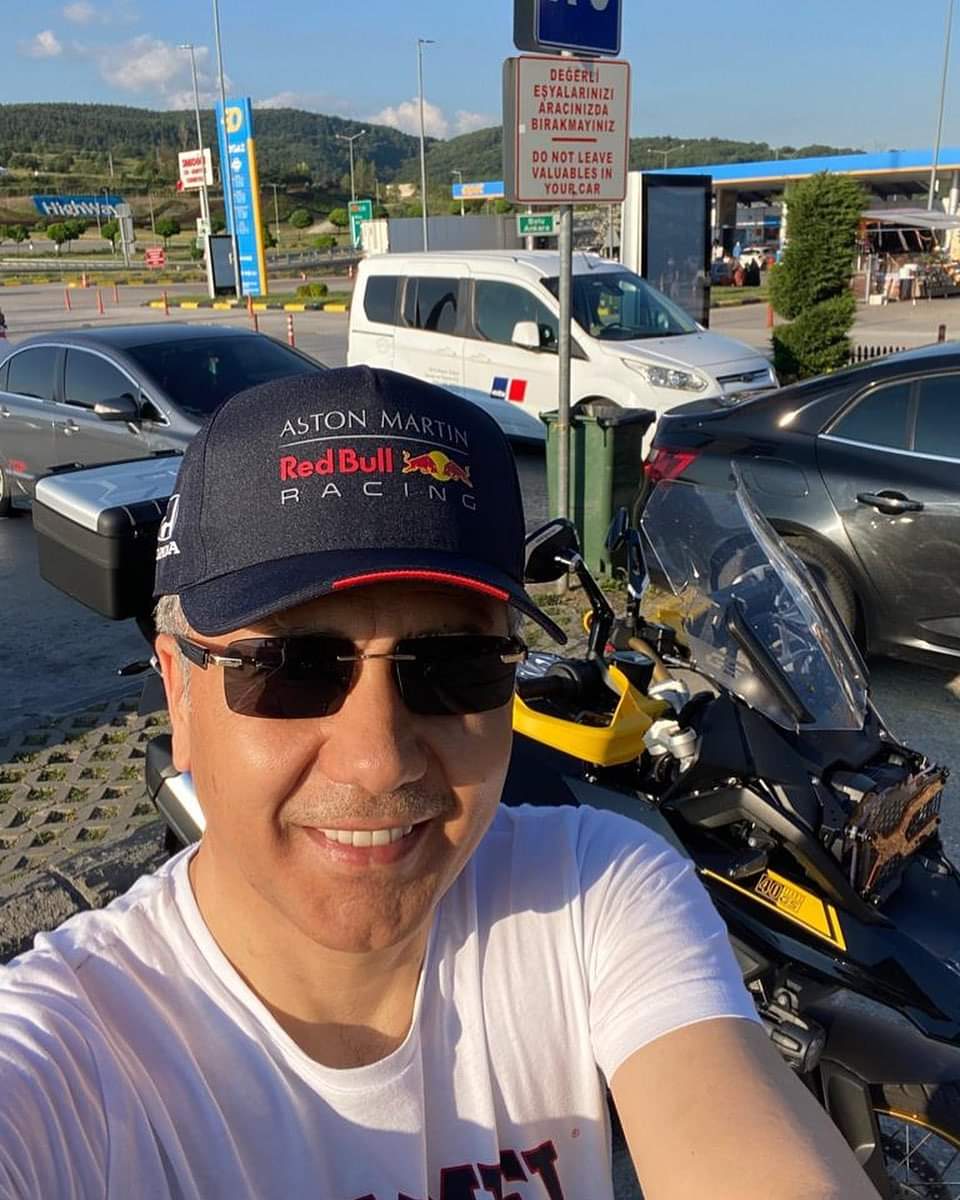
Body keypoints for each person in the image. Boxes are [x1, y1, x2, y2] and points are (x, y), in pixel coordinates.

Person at [0, 368, 878, 1199]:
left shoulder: (596, 892)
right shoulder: (69, 1052)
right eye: (290, 668)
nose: (379, 758)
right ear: (178, 695)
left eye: (456, 665)